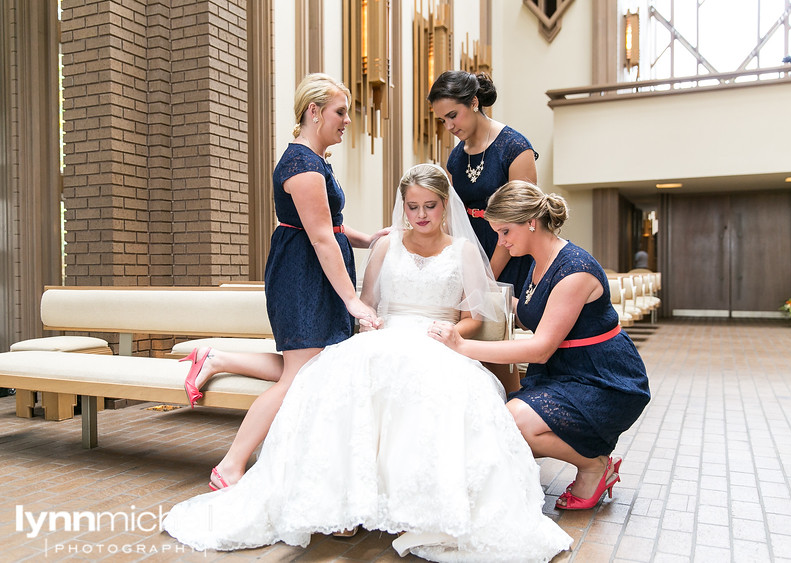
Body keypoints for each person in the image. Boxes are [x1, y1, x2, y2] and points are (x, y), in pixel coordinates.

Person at [163, 164, 573, 561]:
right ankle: (343, 501)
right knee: (338, 384)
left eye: (429, 206)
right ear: (403, 206)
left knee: (433, 389)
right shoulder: (385, 246)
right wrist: (372, 327)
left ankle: (411, 503)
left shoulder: (464, 252)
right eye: (412, 206)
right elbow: (369, 305)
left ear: (445, 205)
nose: (421, 215)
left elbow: (472, 319)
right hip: (386, 336)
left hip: (438, 342)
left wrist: (452, 337)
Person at [181, 73, 387, 490]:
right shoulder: (301, 164)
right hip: (303, 278)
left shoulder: (313, 161)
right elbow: (320, 236)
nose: (347, 120)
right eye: (340, 112)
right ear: (314, 111)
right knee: (300, 375)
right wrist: (353, 301)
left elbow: (332, 226)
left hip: (311, 272)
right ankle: (231, 464)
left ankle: (217, 359)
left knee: (305, 365)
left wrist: (371, 239)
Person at [431, 180, 650, 511]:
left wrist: (462, 346)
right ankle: (590, 460)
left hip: (602, 377)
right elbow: (531, 310)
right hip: (562, 372)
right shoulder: (539, 259)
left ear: (531, 222)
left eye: (505, 233)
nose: (501, 243)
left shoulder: (575, 270)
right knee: (505, 426)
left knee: (514, 423)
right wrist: (477, 299)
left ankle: (594, 466)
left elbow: (540, 348)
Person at [427, 70, 538, 300]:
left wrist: (487, 277)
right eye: (442, 120)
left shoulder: (515, 148)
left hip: (510, 250)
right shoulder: (455, 159)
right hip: (470, 250)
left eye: (452, 115)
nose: (448, 126)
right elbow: (452, 217)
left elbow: (520, 218)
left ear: (474, 102)